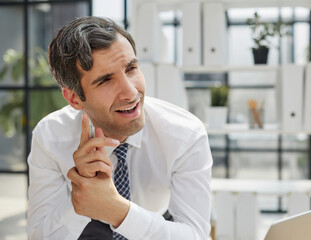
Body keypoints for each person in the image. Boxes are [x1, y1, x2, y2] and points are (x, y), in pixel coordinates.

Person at [27, 16, 212, 240]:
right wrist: (82, 193)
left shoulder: (185, 134)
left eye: (131, 68)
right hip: (85, 227)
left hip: (159, 226)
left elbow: (195, 236)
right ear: (75, 99)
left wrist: (117, 210)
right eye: (105, 80)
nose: (131, 93)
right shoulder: (50, 135)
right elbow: (39, 236)